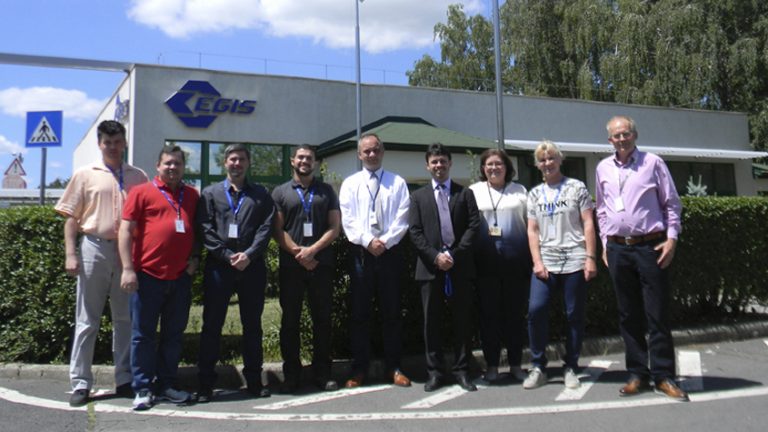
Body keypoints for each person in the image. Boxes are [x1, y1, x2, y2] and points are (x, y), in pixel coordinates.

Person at [55, 120, 148, 407]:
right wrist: (71, 254)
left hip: (126, 253)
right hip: (94, 248)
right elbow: (72, 218)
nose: (113, 147)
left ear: (124, 143)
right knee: (87, 319)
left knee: (125, 319)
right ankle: (81, 382)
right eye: (107, 142)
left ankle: (124, 378)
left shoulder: (138, 176)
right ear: (99, 144)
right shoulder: (85, 174)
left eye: (117, 141)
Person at [595, 115, 688, 401]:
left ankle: (663, 375)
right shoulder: (602, 168)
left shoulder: (653, 163)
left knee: (656, 313)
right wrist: (604, 243)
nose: (622, 139)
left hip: (650, 247)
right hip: (618, 249)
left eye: (626, 133)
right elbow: (602, 209)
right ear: (609, 140)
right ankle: (637, 373)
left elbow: (671, 204)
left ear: (634, 135)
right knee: (628, 314)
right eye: (616, 135)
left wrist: (671, 239)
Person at [118, 145, 201, 411]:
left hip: (180, 278)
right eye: (168, 163)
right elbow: (125, 231)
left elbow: (197, 231)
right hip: (147, 277)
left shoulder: (192, 195)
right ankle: (142, 388)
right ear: (158, 166)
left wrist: (195, 258)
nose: (173, 167)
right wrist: (128, 269)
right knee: (143, 335)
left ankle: (167, 384)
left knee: (173, 335)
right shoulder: (141, 192)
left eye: (177, 163)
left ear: (183, 167)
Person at [195, 144, 275, 402]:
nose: (236, 163)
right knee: (212, 325)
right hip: (220, 267)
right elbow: (205, 228)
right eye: (232, 159)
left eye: (241, 159)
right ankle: (205, 384)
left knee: (252, 326)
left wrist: (249, 255)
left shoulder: (261, 194)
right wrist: (228, 255)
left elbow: (266, 228)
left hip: (252, 267)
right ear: (225, 162)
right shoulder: (210, 194)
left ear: (248, 163)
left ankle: (254, 381)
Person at [338, 133, 412, 389]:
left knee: (392, 313)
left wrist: (385, 242)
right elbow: (348, 219)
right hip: (361, 253)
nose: (371, 154)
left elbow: (403, 218)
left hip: (390, 254)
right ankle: (359, 369)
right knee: (360, 314)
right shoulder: (350, 183)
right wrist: (369, 241)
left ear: (382, 152)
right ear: (359, 155)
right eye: (366, 151)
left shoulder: (397, 182)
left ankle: (394, 368)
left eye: (376, 150)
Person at [523, 141, 597, 390]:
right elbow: (532, 230)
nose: (547, 163)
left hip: (575, 259)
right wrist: (537, 262)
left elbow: (588, 223)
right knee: (536, 310)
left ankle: (571, 366)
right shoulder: (534, 194)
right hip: (546, 262)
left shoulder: (577, 187)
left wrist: (590, 258)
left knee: (574, 315)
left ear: (560, 160)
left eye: (551, 158)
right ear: (537, 164)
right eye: (542, 159)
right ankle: (538, 366)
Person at [409, 143, 481, 392]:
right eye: (434, 162)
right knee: (431, 323)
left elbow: (473, 226)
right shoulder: (418, 197)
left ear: (450, 163)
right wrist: (435, 257)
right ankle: (435, 372)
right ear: (427, 166)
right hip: (430, 269)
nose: (439, 165)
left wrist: (453, 254)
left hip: (460, 267)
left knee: (462, 321)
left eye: (442, 161)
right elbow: (415, 232)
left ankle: (462, 370)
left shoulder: (465, 194)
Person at [272, 145, 341, 393]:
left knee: (322, 320)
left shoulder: (327, 191)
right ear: (292, 161)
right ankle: (292, 375)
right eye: (300, 157)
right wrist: (299, 253)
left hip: (321, 265)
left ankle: (322, 373)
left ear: (316, 163)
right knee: (290, 321)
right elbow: (277, 230)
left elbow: (335, 227)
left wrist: (312, 251)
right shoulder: (280, 192)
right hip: (291, 267)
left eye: (309, 158)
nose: (304, 161)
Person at [468, 149, 530, 384]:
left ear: (507, 167)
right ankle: (492, 365)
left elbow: (531, 225)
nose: (494, 168)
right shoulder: (474, 191)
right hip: (485, 266)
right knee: (488, 318)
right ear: (483, 168)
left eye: (499, 164)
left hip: (516, 264)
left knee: (515, 317)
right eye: (489, 164)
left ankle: (516, 365)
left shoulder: (520, 191)